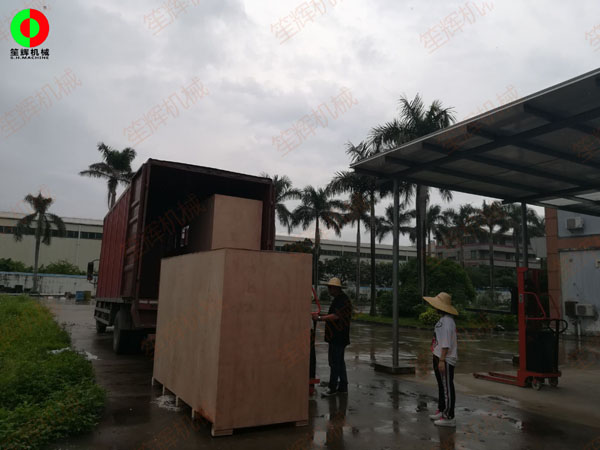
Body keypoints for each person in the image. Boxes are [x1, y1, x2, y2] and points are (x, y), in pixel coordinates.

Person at [423, 292, 458, 427]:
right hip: (439, 357)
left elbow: (446, 343)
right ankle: (442, 409)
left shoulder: (447, 322)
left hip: (446, 359)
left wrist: (442, 360)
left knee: (447, 387)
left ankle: (449, 417)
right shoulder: (443, 319)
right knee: (442, 386)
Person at [313, 277, 352, 397]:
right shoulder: (339, 299)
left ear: (336, 288)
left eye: (330, 288)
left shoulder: (342, 300)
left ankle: (332, 388)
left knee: (334, 363)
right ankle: (343, 386)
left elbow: (336, 316)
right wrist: (321, 315)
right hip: (337, 337)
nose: (329, 290)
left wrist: (320, 318)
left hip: (338, 337)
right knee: (339, 362)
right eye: (328, 287)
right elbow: (332, 314)